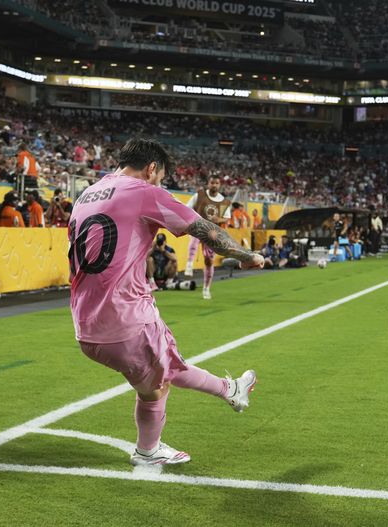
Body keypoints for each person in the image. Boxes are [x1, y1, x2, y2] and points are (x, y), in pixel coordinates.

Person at [68, 138, 264, 467]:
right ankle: (149, 450)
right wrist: (247, 255)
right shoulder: (145, 192)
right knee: (160, 383)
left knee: (164, 368)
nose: (161, 184)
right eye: (161, 178)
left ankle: (230, 389)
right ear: (152, 168)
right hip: (125, 317)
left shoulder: (87, 193)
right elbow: (205, 229)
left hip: (85, 323)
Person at [183, 175, 231, 300]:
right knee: (194, 239)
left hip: (212, 231)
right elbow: (187, 208)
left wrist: (218, 219)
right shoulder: (199, 195)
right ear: (208, 184)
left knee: (208, 261)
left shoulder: (224, 201)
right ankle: (189, 264)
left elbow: (227, 217)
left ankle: (206, 288)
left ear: (219, 185)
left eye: (216, 183)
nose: (214, 185)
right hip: (199, 226)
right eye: (212, 183)